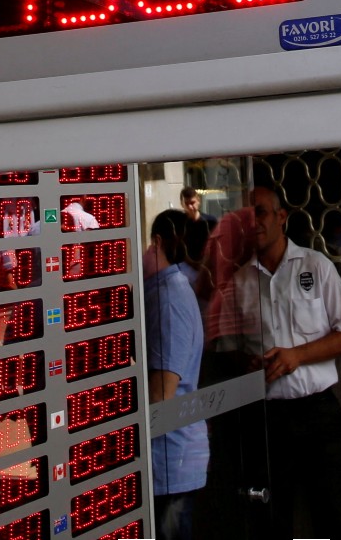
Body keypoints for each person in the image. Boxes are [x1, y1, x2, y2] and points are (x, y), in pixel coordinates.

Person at [234, 183, 341, 539]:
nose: (253, 222)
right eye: (247, 215)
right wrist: (251, 365)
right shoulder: (240, 280)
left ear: (281, 217)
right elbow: (235, 350)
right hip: (267, 418)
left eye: (260, 212)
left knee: (334, 518)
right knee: (271, 522)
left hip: (317, 414)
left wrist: (297, 356)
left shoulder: (315, 265)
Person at [146, 209, 209, 539]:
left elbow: (161, 394)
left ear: (156, 242)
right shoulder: (168, 290)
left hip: (172, 459)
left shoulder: (169, 298)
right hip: (175, 455)